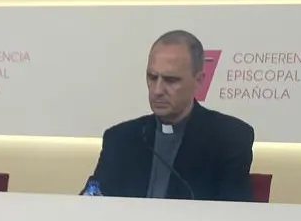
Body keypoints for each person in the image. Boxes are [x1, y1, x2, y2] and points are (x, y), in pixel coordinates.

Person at [87, 30, 256, 201]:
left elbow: (233, 212)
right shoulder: (120, 138)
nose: (157, 90)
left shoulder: (230, 139)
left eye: (171, 80)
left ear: (198, 81)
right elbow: (91, 199)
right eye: (152, 77)